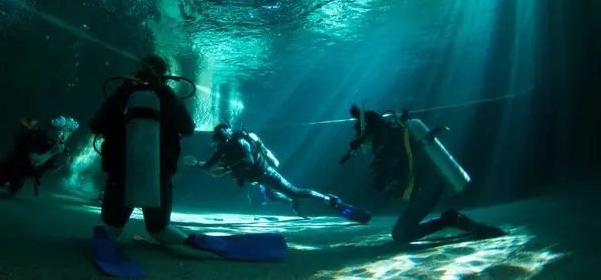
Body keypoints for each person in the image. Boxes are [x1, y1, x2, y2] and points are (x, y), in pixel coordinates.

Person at [344, 104, 507, 243]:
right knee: (399, 234)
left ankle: (462, 223)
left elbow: (408, 160)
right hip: (425, 187)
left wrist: (389, 183)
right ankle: (452, 220)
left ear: (369, 131)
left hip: (429, 187)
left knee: (400, 235)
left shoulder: (392, 140)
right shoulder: (389, 140)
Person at [90, 54, 195, 245]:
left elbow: (95, 126)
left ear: (136, 71)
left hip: (121, 169)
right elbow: (188, 130)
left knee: (111, 227)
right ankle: (192, 244)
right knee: (160, 230)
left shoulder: (121, 94)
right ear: (163, 75)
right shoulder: (170, 97)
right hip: (159, 170)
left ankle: (106, 238)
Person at [191, 123, 371, 223]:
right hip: (256, 178)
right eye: (218, 143)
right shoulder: (223, 148)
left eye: (221, 141)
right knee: (272, 197)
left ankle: (329, 200)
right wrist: (196, 163)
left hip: (265, 173)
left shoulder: (240, 143)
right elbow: (208, 165)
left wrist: (228, 168)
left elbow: (249, 162)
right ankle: (292, 202)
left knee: (295, 192)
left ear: (227, 138)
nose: (220, 146)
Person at [0, 115, 77, 196]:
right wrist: (53, 152)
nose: (63, 136)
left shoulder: (53, 146)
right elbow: (34, 160)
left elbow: (46, 171)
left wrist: (62, 164)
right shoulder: (37, 138)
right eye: (62, 132)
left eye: (67, 133)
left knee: (14, 186)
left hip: (21, 173)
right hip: (12, 167)